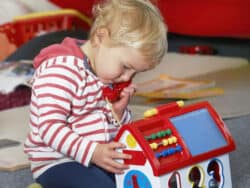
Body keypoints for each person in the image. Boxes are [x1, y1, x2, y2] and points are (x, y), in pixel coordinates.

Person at [24, 0, 167, 187]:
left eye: (135, 73)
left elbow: (110, 131)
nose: (127, 77)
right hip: (58, 161)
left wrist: (119, 114)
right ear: (100, 38)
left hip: (97, 155)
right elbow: (49, 127)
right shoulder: (60, 71)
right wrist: (93, 152)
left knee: (140, 178)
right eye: (125, 67)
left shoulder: (104, 70)